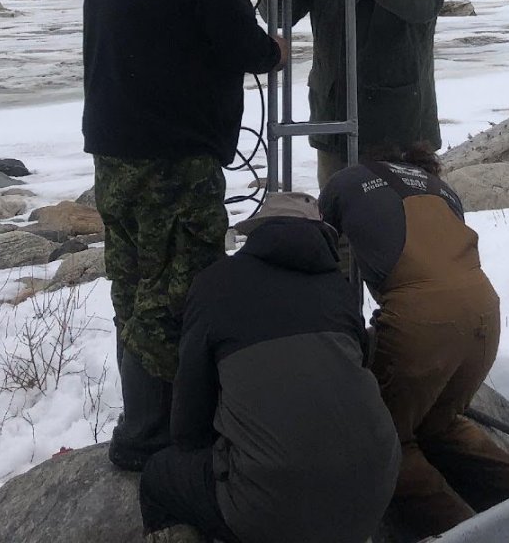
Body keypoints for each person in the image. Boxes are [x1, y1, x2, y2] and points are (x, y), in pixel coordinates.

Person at [82, 0, 293, 471]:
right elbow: (235, 35)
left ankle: (142, 421)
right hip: (173, 157)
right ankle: (163, 438)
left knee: (133, 285)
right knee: (180, 290)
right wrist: (271, 52)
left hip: (115, 151)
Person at [137, 191, 401, 543]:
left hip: (269, 505)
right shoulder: (339, 290)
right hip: (377, 487)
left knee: (157, 476)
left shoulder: (215, 283)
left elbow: (188, 425)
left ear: (257, 233)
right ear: (323, 238)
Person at [319, 146, 509, 538]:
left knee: (387, 442)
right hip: (484, 313)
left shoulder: (347, 182)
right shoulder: (443, 191)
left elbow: (324, 261)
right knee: (441, 423)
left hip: (421, 322)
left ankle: (462, 532)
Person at [279, 0, 450, 188]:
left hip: (403, 130)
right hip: (336, 120)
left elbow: (424, 2)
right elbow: (280, 15)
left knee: (409, 214)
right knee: (339, 210)